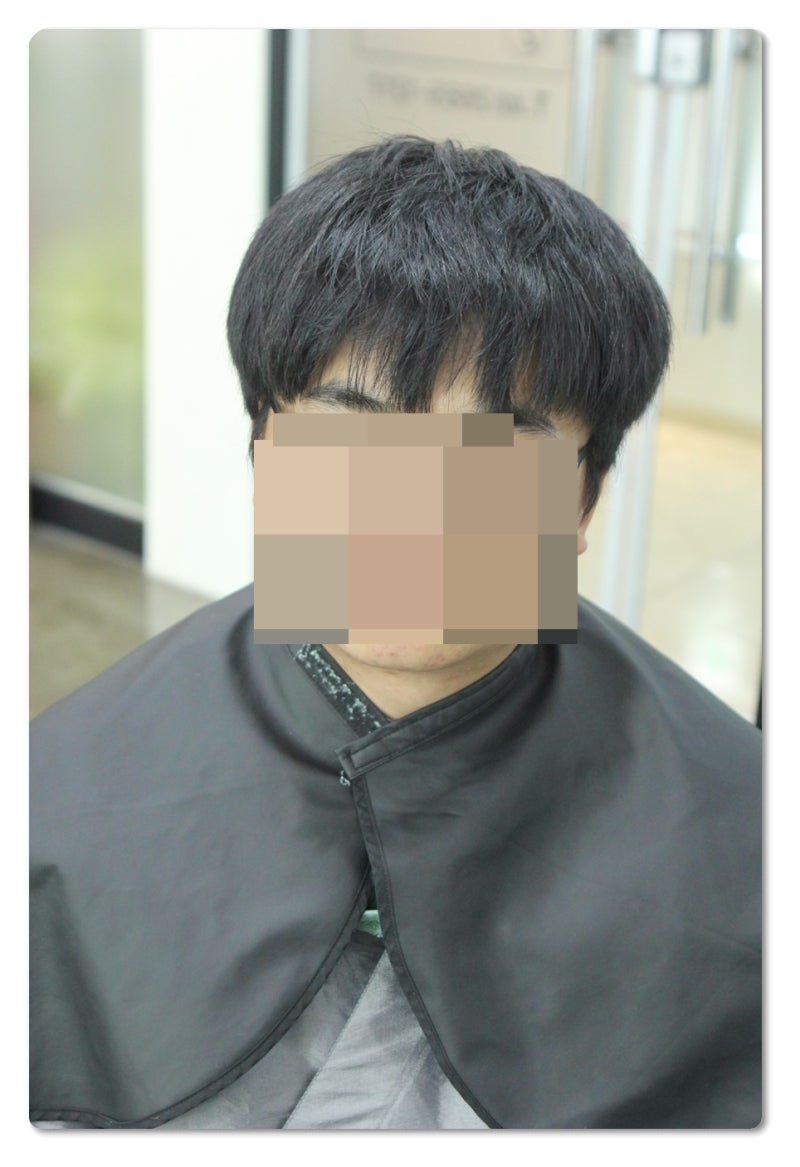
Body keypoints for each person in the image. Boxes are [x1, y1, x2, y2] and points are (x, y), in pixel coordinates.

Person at [30, 136, 761, 1130]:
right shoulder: (52, 793)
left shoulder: (749, 839)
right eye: (350, 427)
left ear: (582, 503)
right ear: (264, 457)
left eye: (500, 445)